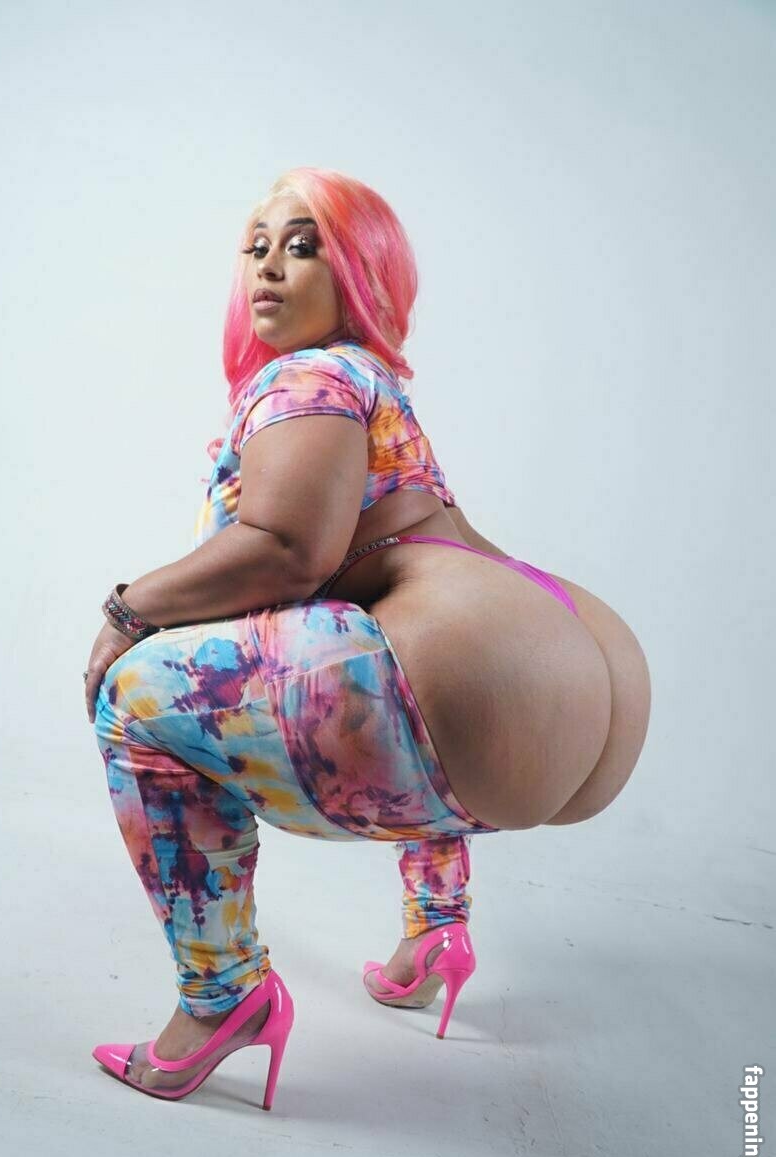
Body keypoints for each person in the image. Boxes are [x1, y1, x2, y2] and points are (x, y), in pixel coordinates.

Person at [85, 167, 651, 1107]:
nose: (269, 267)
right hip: (567, 677)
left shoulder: (307, 377)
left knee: (138, 695)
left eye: (304, 247)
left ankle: (220, 999)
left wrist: (126, 611)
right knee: (364, 655)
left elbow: (285, 549)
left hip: (473, 682)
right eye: (256, 247)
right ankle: (436, 929)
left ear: (360, 274)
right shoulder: (375, 384)